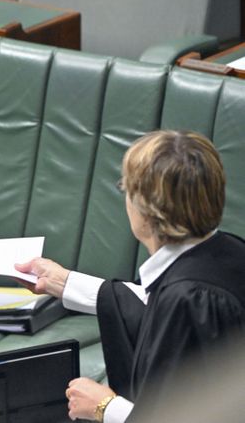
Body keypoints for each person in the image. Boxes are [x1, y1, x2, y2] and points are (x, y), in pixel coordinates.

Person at [16, 130, 245, 422]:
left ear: (147, 213)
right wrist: (63, 282)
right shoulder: (230, 251)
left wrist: (105, 406)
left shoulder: (188, 300)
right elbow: (150, 306)